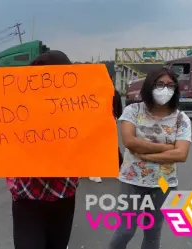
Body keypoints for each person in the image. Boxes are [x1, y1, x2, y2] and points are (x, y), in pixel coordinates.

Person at [107, 67, 192, 249]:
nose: (164, 89)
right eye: (159, 84)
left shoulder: (181, 119)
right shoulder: (133, 111)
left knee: (153, 233)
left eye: (170, 85)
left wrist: (145, 154)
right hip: (133, 180)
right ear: (149, 86)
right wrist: (167, 148)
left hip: (164, 183)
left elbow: (181, 154)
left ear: (176, 89)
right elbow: (129, 141)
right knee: (125, 231)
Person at [7, 50, 78, 249]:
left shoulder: (78, 107)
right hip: (27, 195)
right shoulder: (16, 106)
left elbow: (97, 148)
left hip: (64, 195)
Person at [89, 87, 123, 183]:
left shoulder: (115, 93)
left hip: (109, 122)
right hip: (93, 122)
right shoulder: (92, 91)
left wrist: (115, 117)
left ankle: (115, 170)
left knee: (111, 146)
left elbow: (119, 110)